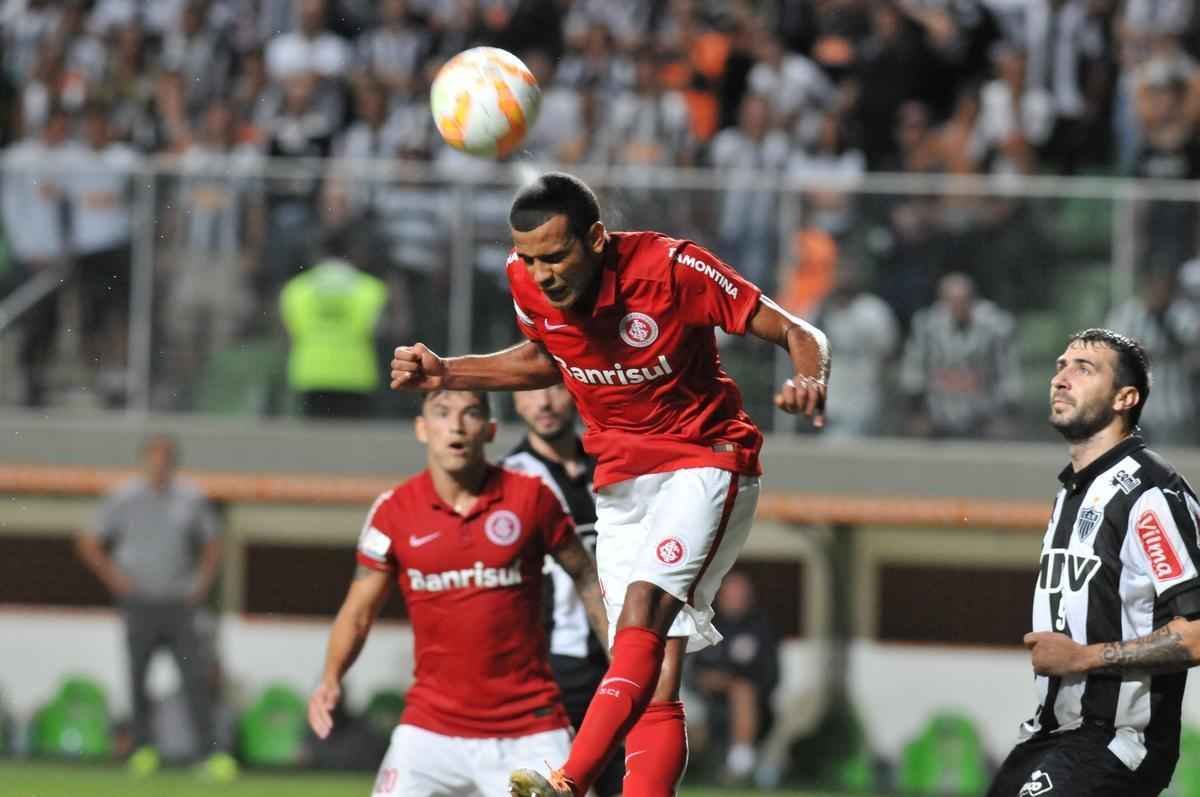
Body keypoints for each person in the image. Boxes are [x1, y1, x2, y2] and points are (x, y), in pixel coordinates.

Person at [390, 172, 829, 797]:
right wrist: (447, 372)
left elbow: (796, 331)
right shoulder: (526, 281)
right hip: (621, 477)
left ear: (596, 238)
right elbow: (548, 357)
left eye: (555, 255)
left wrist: (810, 378)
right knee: (655, 675)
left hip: (707, 458)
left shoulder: (673, 267)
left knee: (644, 615)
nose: (541, 274)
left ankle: (570, 778)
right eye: (530, 259)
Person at [307, 389, 608, 797]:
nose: (456, 425)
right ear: (421, 428)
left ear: (489, 429)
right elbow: (358, 610)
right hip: (429, 731)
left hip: (531, 729)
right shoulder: (393, 511)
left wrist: (624, 666)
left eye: (470, 413)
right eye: (442, 413)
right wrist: (331, 678)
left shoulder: (532, 498)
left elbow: (587, 579)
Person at [987, 329, 1200, 797]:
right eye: (1061, 366)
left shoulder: (1150, 493)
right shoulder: (1073, 492)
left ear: (1126, 397)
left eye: (1084, 369)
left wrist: (1084, 658)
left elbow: (1197, 632)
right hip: (1051, 736)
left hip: (1116, 743)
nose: (1061, 379)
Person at [73, 434, 234, 781]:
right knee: (137, 678)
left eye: (166, 459)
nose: (160, 466)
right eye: (154, 459)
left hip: (180, 604)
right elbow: (88, 542)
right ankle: (143, 750)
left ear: (173, 462)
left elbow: (213, 543)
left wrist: (201, 585)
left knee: (195, 679)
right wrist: (115, 578)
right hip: (140, 602)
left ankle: (208, 754)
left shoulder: (190, 497)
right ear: (144, 461)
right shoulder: (123, 498)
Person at [503, 384, 623, 797]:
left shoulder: (614, 462)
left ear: (574, 389)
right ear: (514, 400)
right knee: (543, 785)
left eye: (553, 389)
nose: (543, 403)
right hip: (553, 665)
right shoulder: (511, 478)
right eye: (530, 392)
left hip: (624, 655)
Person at [687, 570, 779, 785]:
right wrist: (711, 681)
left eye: (743, 593)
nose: (739, 598)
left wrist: (734, 683)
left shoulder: (761, 629)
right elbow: (690, 672)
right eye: (733, 593)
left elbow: (771, 673)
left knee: (743, 691)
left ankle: (740, 765)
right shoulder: (706, 625)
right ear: (722, 596)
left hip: (750, 702)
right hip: (704, 698)